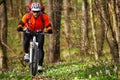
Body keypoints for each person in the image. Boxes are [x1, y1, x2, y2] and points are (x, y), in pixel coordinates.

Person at [17, 2, 52, 73]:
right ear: (31, 11)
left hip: (39, 32)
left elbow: (48, 25)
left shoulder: (44, 16)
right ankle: (26, 54)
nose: (35, 13)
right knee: (26, 41)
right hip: (29, 31)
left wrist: (49, 30)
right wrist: (20, 27)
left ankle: (40, 65)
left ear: (40, 11)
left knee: (40, 47)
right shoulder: (27, 16)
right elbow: (21, 23)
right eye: (34, 11)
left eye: (37, 11)